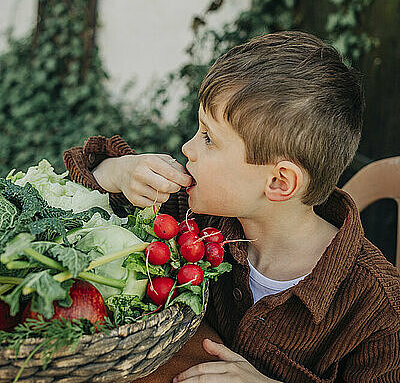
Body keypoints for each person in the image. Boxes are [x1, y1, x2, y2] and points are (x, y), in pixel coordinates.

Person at [64, 31, 400, 383]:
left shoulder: (378, 310)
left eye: (209, 138)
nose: (187, 147)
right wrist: (118, 171)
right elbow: (78, 196)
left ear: (279, 183)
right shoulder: (193, 214)